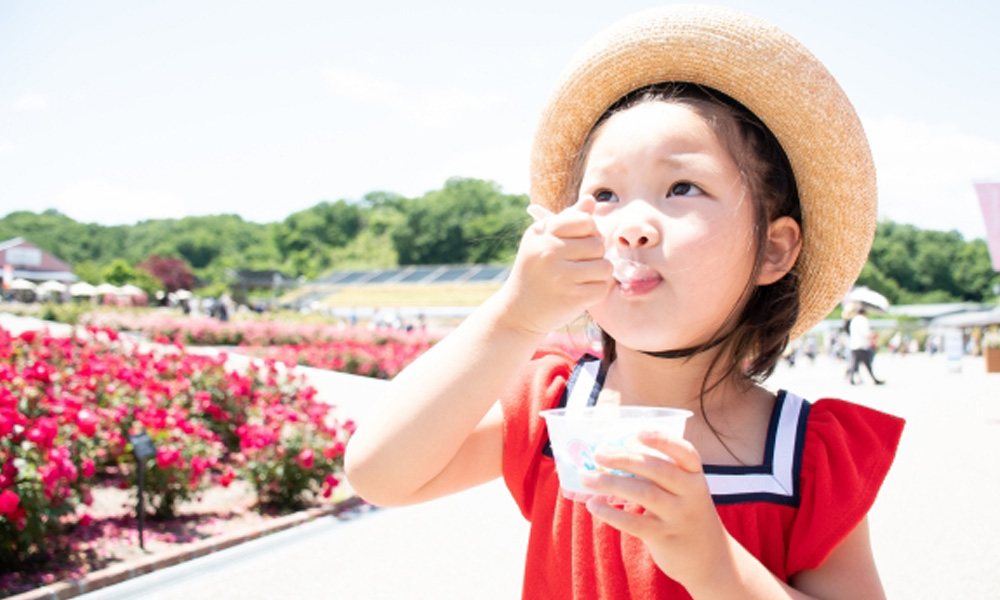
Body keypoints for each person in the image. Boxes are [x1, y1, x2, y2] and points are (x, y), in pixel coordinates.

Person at [345, 6, 904, 599]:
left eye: (682, 187)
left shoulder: (809, 458)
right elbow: (379, 472)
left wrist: (715, 565)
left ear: (773, 248)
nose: (632, 225)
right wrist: (515, 315)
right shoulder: (552, 411)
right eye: (605, 194)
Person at [847, 306, 885, 385]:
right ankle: (873, 379)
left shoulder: (854, 320)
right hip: (862, 345)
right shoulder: (863, 320)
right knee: (866, 363)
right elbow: (865, 332)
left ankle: (851, 379)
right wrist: (872, 335)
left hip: (854, 345)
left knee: (855, 363)